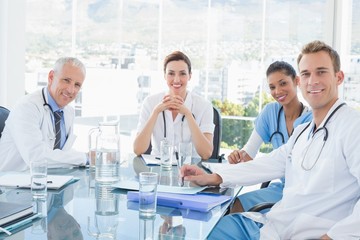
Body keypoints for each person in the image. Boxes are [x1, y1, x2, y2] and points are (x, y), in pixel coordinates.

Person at [181, 40, 360, 239]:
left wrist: (334, 237)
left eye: (321, 72)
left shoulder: (353, 127)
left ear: (339, 77)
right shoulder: (302, 132)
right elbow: (266, 164)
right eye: (307, 74)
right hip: (274, 227)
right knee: (208, 230)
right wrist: (214, 176)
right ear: (300, 81)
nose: (312, 81)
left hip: (313, 233)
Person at [227, 61, 312, 213]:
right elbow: (248, 153)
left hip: (304, 193)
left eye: (283, 83)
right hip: (281, 189)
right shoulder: (271, 112)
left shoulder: (311, 119)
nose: (278, 91)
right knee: (236, 205)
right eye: (272, 87)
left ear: (296, 81)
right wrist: (238, 157)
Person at [0, 57, 88, 171]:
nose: (71, 90)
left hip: (48, 181)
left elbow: (60, 154)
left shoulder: (68, 112)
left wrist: (89, 156)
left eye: (77, 85)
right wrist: (85, 158)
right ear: (51, 77)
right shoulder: (27, 106)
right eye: (66, 80)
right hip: (11, 184)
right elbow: (36, 158)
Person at [133, 51, 214, 159]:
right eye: (171, 73)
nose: (176, 79)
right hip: (158, 167)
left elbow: (206, 153)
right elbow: (138, 150)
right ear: (164, 76)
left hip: (192, 170)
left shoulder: (204, 106)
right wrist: (155, 112)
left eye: (182, 73)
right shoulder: (150, 102)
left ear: (190, 76)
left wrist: (188, 115)